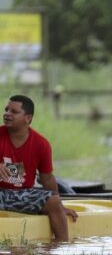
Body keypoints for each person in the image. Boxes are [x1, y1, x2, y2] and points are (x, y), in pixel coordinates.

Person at [0, 95, 77, 241]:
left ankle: (61, 250)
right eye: (6, 110)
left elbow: (47, 177)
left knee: (53, 201)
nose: (7, 114)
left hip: (22, 194)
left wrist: (59, 206)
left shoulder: (41, 144)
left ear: (28, 118)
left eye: (14, 111)